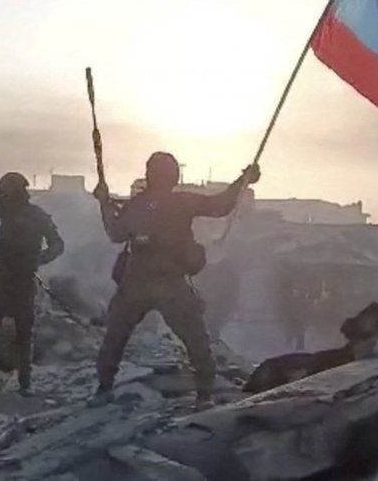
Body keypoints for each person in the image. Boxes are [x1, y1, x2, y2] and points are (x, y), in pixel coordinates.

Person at [91, 152, 260, 408]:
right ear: (173, 176)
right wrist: (242, 180)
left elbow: (115, 233)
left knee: (115, 339)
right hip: (169, 283)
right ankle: (204, 395)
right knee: (196, 341)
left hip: (137, 283)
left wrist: (104, 204)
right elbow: (221, 205)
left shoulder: (137, 205)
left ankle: (104, 389)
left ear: (149, 174)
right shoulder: (182, 202)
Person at [0, 148, 64, 395]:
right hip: (4, 277)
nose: (4, 196)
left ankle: (24, 381)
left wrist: (39, 259)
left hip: (23, 281)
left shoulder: (36, 216)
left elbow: (57, 244)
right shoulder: (9, 210)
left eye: (7, 192)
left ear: (16, 192)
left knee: (23, 334)